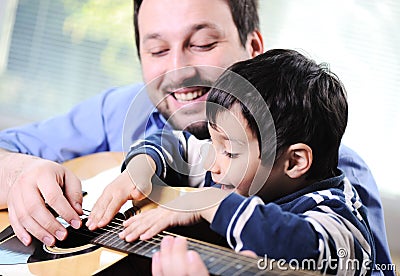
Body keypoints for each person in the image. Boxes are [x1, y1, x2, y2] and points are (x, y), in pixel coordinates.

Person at [0, 0, 392, 274]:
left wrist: (214, 205)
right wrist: (21, 173)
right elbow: (185, 148)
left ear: (253, 50)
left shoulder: (336, 178)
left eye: (202, 43)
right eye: (156, 50)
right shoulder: (120, 111)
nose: (178, 71)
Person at [91, 49, 375, 274]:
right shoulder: (227, 169)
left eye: (229, 151)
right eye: (213, 143)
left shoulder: (341, 219)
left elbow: (304, 246)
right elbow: (176, 144)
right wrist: (141, 167)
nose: (212, 164)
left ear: (294, 162)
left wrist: (213, 202)